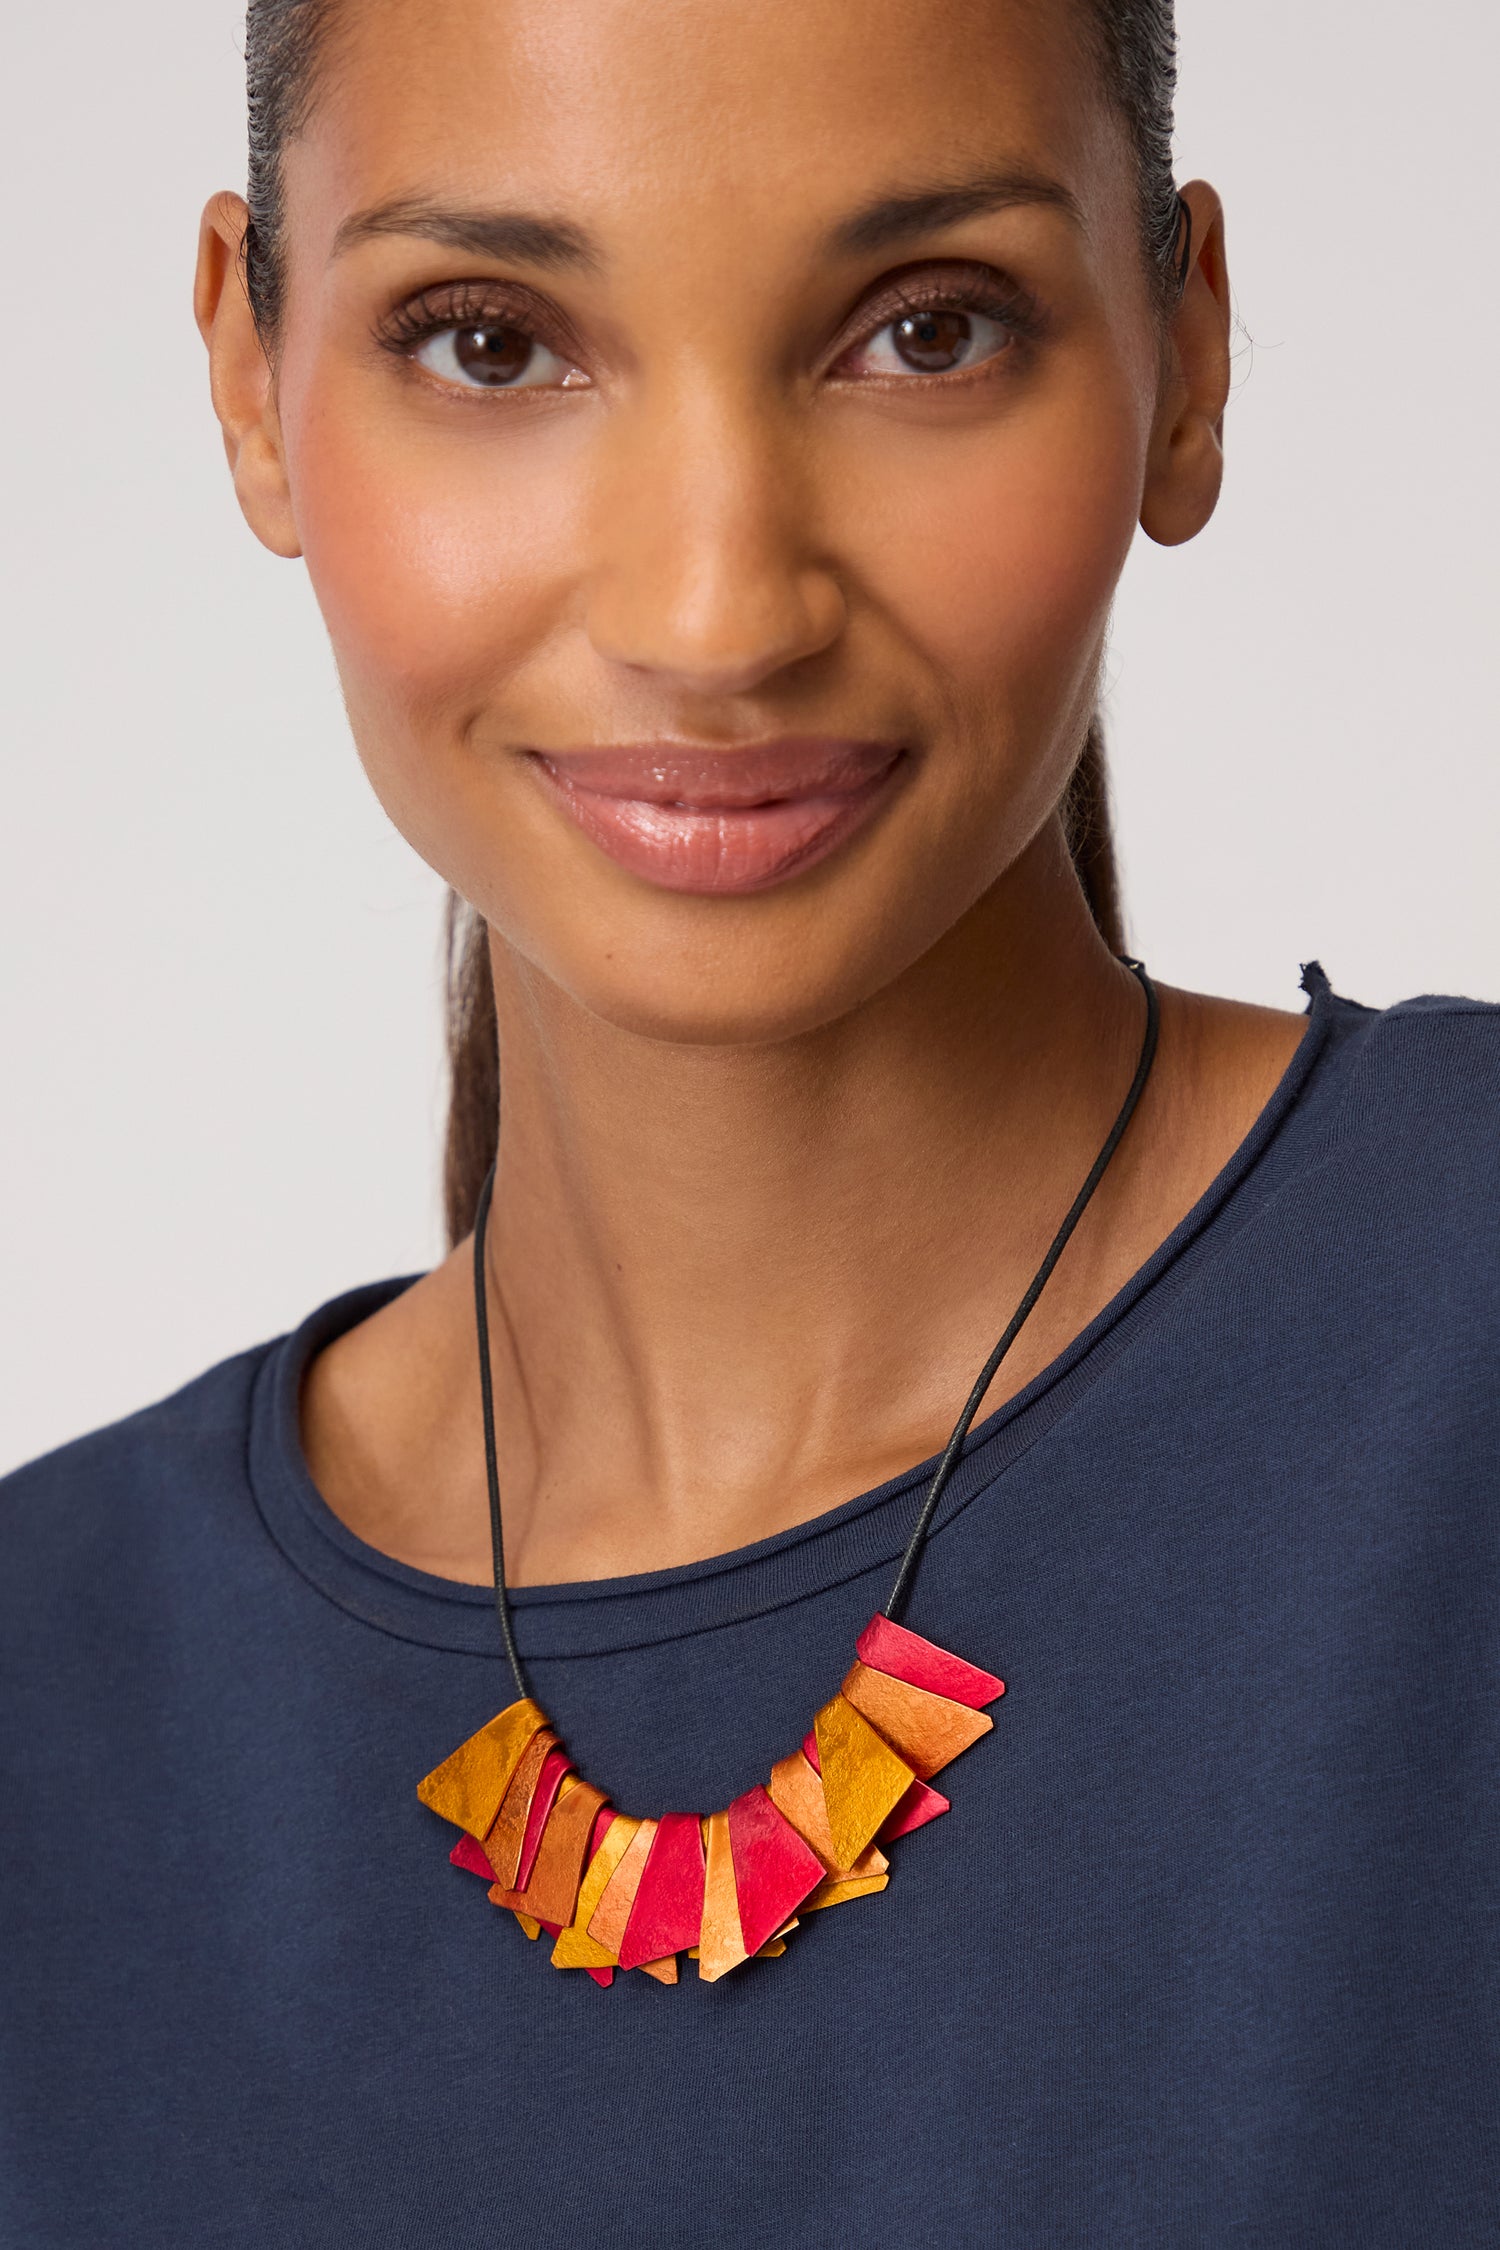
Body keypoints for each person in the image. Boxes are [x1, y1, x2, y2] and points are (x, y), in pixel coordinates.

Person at [3, 0, 1496, 2240]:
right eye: (493, 343)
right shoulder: (50, 1702)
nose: (716, 613)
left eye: (924, 330)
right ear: (252, 376)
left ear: (1182, 361)